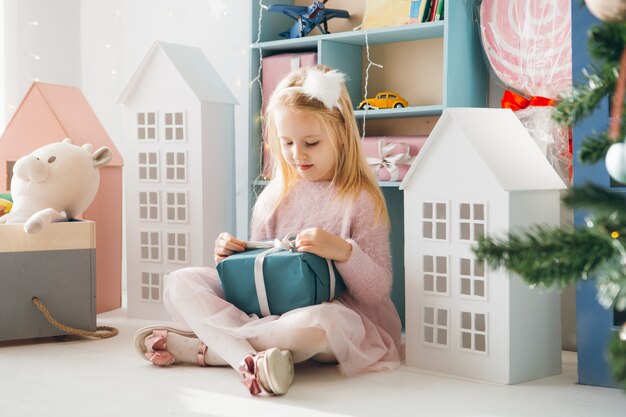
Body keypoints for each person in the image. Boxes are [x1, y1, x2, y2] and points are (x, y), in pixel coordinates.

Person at [134, 64, 402, 396]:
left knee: (322, 324)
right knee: (181, 282)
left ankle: (211, 350)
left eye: (311, 143)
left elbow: (377, 290)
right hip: (269, 312)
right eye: (287, 142)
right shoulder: (273, 198)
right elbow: (261, 271)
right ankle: (251, 360)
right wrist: (234, 254)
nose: (296, 154)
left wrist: (344, 252)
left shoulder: (358, 199)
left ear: (341, 135)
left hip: (327, 318)